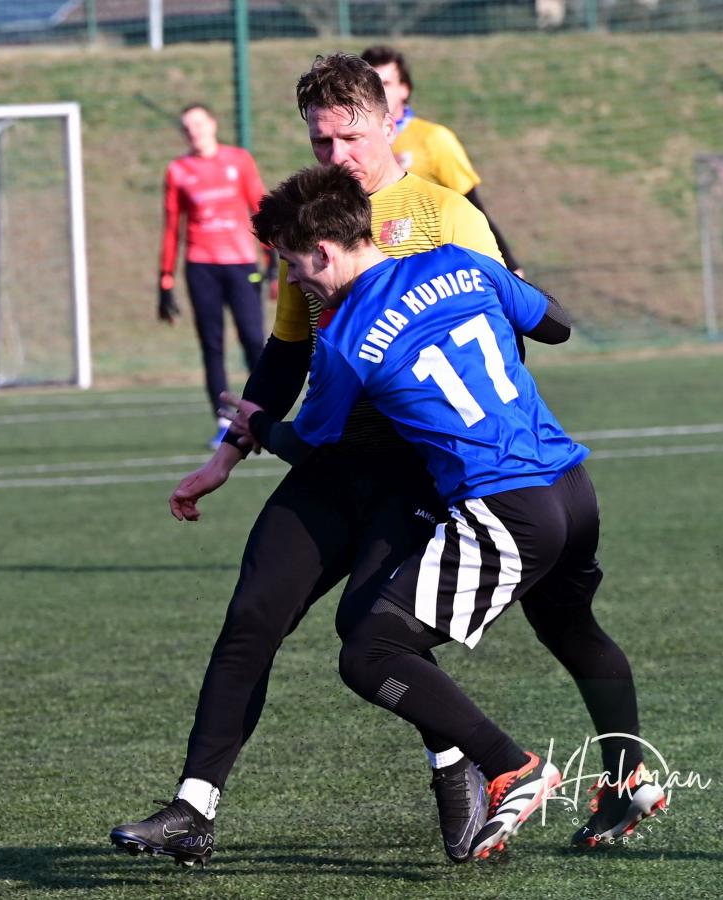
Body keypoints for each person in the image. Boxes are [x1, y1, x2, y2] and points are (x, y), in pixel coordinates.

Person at [110, 53, 506, 869]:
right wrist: (227, 454)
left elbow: (499, 349)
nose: (336, 156)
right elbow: (286, 353)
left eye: (349, 137)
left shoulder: (447, 218)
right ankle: (193, 809)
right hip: (329, 462)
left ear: (389, 121)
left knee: (372, 632)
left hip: (417, 469)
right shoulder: (313, 215)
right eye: (321, 141)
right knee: (253, 615)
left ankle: (456, 762)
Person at [229, 163, 666, 858]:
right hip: (571, 485)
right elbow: (555, 326)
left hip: (507, 507)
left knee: (371, 652)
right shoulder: (463, 261)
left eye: (290, 262)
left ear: (324, 250)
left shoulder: (343, 338)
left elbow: (312, 447)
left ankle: (512, 768)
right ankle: (626, 780)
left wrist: (256, 423)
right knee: (571, 628)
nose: (292, 279)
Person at [157, 102, 274, 449]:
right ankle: (224, 421)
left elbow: (260, 208)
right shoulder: (178, 170)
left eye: (198, 123)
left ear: (213, 124)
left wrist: (271, 254)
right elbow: (171, 227)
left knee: (253, 339)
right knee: (212, 344)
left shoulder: (239, 160)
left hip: (241, 264)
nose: (193, 131)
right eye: (186, 126)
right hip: (201, 265)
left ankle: (263, 413)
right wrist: (165, 278)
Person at [361, 45, 523, 276]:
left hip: (436, 269)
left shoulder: (434, 139)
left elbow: (473, 208)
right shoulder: (354, 145)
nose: (379, 92)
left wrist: (511, 268)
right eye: (372, 85)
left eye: (385, 84)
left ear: (405, 89)